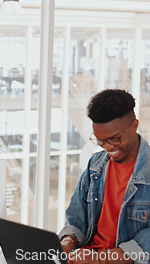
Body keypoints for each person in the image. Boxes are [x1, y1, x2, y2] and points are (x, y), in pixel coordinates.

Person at [58, 89, 149, 264]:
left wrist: (102, 259)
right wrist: (67, 242)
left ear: (134, 126)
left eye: (115, 139)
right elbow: (76, 218)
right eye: (100, 140)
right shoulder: (96, 165)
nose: (107, 147)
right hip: (86, 257)